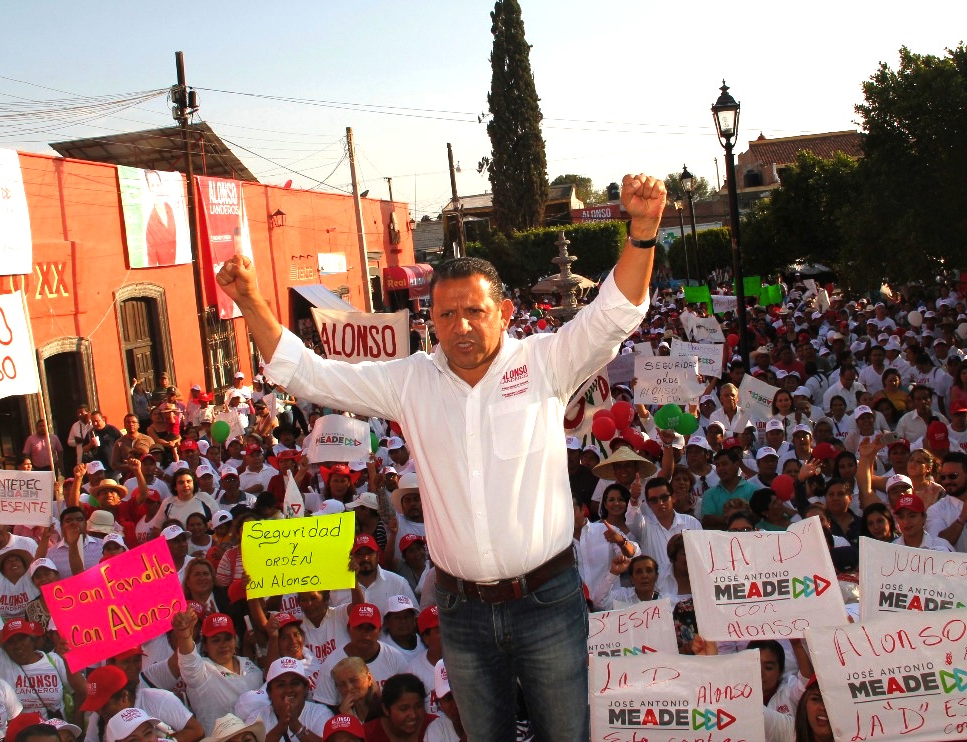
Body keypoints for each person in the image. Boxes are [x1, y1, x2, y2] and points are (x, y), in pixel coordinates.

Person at [216, 172, 667, 742]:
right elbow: (310, 373)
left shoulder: (547, 362)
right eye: (447, 315)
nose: (461, 327)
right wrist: (253, 301)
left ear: (503, 311)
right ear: (431, 320)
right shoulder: (410, 382)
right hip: (462, 612)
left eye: (474, 311)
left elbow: (613, 314)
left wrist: (643, 232)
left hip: (548, 601)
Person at [172, 611, 263, 730]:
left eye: (227, 638)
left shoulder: (248, 665)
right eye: (216, 640)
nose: (223, 645)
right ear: (205, 645)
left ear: (235, 640)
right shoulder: (201, 670)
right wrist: (185, 634)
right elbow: (189, 660)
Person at [360, 673, 435, 741]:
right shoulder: (365, 735)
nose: (413, 715)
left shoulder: (437, 726)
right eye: (404, 709)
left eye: (419, 706)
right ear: (385, 709)